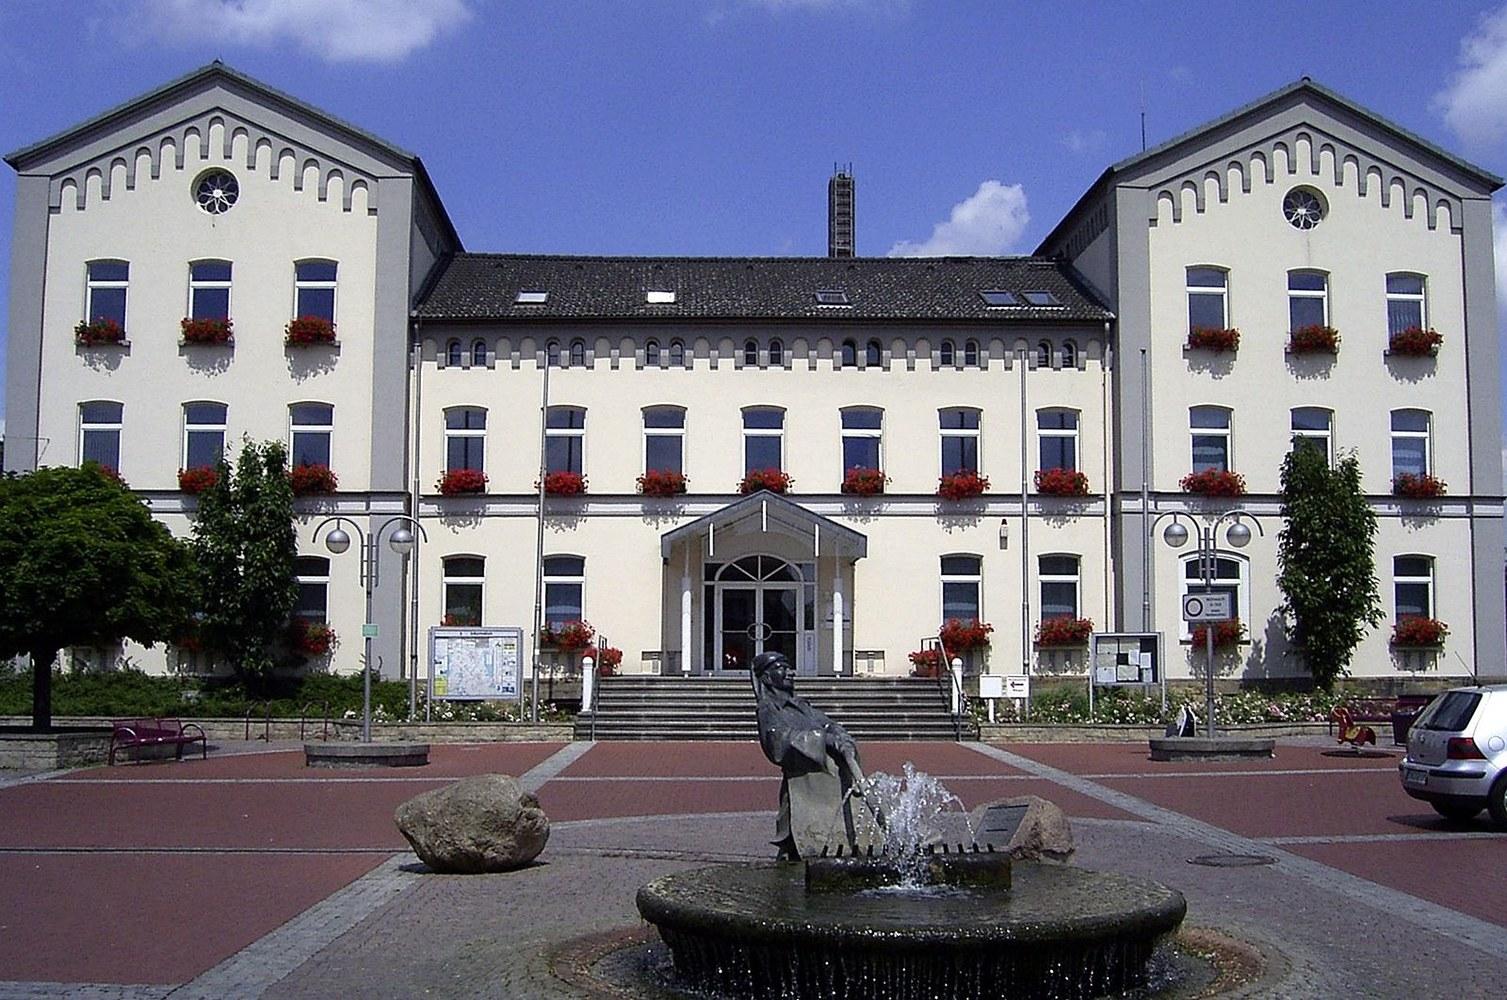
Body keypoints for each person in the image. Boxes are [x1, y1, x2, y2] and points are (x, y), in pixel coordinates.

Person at [750, 651, 875, 859]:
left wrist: (841, 737)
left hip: (825, 789)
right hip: (801, 788)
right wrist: (822, 740)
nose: (791, 673)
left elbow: (828, 724)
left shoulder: (801, 706)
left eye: (789, 668)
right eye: (782, 668)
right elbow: (777, 741)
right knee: (797, 837)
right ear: (767, 677)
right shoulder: (768, 709)